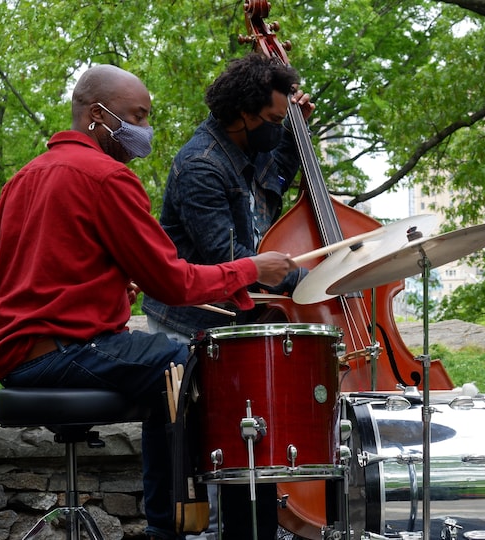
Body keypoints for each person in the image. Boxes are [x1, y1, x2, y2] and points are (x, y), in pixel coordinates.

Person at [0, 64, 297, 540]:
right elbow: (171, 281)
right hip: (66, 353)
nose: (145, 131)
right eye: (138, 116)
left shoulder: (20, 181)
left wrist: (103, 287)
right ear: (97, 116)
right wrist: (253, 269)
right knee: (204, 368)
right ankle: (219, 531)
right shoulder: (107, 178)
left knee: (163, 371)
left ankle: (166, 525)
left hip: (17, 361)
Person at [141, 53, 315, 540]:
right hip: (188, 320)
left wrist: (298, 136)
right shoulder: (201, 165)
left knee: (243, 445)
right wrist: (301, 280)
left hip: (233, 320)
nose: (277, 129)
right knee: (204, 449)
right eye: (275, 121)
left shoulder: (249, 145)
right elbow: (228, 259)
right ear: (243, 113)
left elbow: (275, 183)